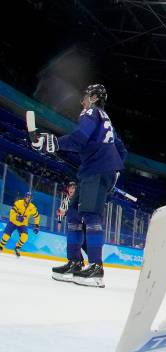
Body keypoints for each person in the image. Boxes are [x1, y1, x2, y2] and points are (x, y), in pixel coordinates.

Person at [29, 84, 127, 288]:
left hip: (97, 171)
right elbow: (120, 148)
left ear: (92, 97)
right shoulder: (105, 118)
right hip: (93, 171)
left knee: (91, 215)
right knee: (73, 213)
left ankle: (96, 267)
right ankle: (75, 262)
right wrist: (115, 171)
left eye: (84, 96)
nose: (81, 101)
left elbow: (80, 139)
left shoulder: (90, 112)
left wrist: (54, 143)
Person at [52, 181, 87, 282]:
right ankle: (77, 263)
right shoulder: (65, 200)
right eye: (70, 188)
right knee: (73, 244)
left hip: (82, 225)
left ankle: (83, 264)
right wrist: (60, 220)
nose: (71, 190)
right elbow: (61, 212)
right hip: (72, 224)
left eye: (73, 188)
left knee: (82, 245)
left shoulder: (81, 199)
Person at [0, 192, 40, 257]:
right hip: (13, 221)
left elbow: (37, 217)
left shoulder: (32, 207)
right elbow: (11, 212)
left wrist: (37, 226)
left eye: (29, 197)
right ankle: (1, 246)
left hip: (22, 224)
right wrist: (17, 217)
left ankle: (17, 248)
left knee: (25, 237)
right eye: (27, 197)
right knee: (6, 236)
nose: (27, 198)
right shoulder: (18, 203)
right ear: (25, 197)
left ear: (31, 199)